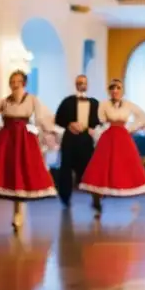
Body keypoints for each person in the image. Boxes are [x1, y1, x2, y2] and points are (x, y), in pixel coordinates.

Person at [0, 70, 56, 229]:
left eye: (18, 81)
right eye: (12, 81)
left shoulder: (32, 99)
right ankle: (16, 212)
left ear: (24, 83)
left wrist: (38, 134)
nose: (15, 84)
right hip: (7, 138)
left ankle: (19, 213)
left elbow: (39, 119)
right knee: (7, 172)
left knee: (23, 171)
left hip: (25, 139)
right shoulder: (3, 101)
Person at [79, 79, 145, 209]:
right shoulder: (104, 104)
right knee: (102, 166)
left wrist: (131, 128)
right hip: (108, 137)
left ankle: (127, 189)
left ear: (122, 90)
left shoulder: (128, 105)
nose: (115, 91)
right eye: (112, 88)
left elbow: (144, 117)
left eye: (118, 88)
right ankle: (97, 196)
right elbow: (100, 120)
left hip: (123, 137)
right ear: (109, 91)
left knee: (124, 165)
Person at [54, 74, 102, 211]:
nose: (82, 84)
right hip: (70, 138)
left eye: (84, 82)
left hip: (86, 139)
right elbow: (58, 119)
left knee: (91, 168)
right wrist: (69, 124)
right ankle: (65, 198)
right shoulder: (67, 101)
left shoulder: (94, 103)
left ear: (88, 85)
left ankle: (96, 198)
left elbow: (98, 120)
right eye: (79, 82)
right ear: (76, 84)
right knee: (66, 169)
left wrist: (92, 129)